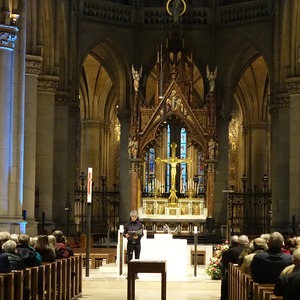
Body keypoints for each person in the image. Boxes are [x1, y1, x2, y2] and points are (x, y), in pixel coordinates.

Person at [123, 210, 143, 279]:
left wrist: (138, 236)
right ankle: (129, 274)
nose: (133, 218)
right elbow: (124, 233)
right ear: (130, 217)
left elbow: (142, 234)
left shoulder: (140, 225)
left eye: (135, 217)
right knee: (130, 259)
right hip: (130, 243)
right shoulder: (127, 224)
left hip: (137, 244)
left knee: (137, 259)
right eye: (132, 217)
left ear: (137, 217)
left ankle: (136, 274)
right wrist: (126, 235)